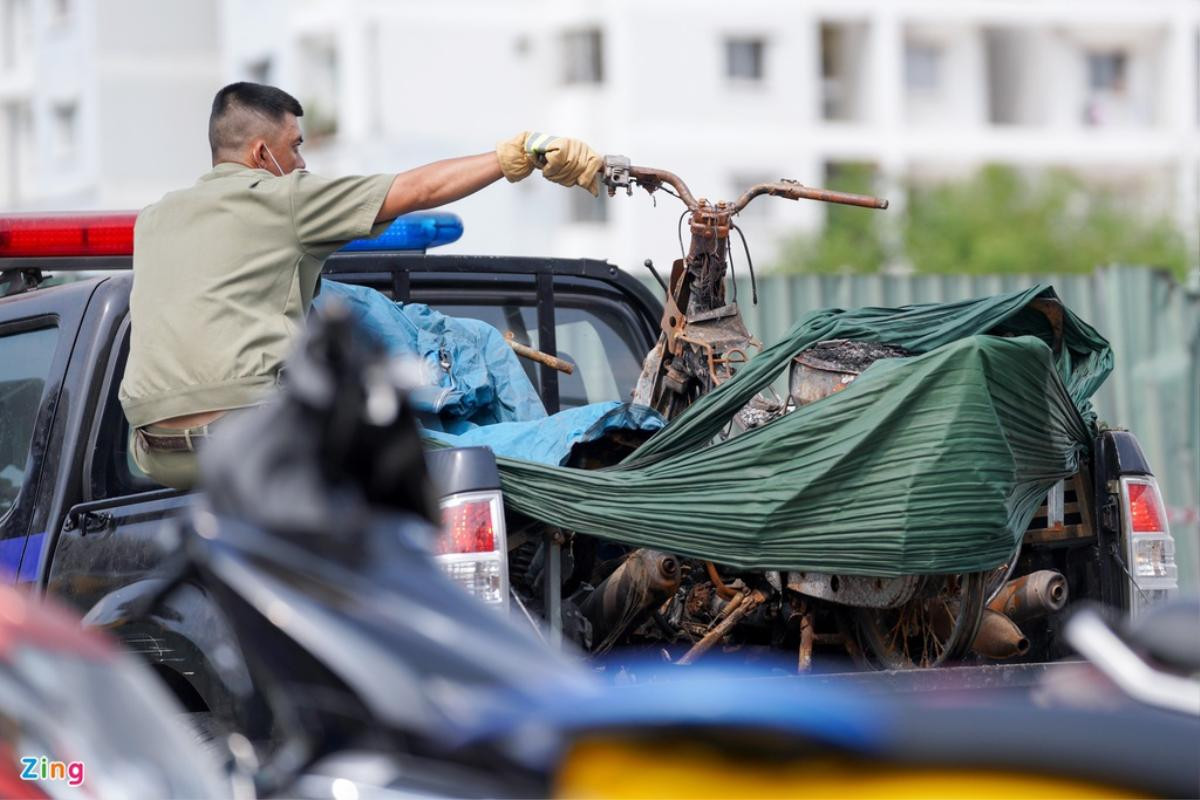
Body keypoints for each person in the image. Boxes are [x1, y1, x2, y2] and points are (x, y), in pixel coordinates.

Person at [118, 82, 601, 490]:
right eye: (296, 146)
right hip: (255, 436)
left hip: (153, 453)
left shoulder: (153, 220)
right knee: (431, 447)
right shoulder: (282, 197)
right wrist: (519, 154)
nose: (303, 163)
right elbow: (417, 190)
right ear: (262, 154)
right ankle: (557, 474)